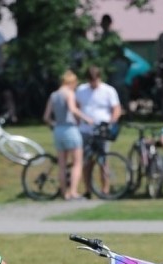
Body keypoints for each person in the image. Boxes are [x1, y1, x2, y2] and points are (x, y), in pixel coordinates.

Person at [42, 69, 93, 200]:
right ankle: (73, 192)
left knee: (62, 164)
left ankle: (64, 192)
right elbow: (72, 109)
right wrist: (86, 118)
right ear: (72, 82)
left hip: (58, 130)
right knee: (77, 162)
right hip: (70, 129)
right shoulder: (69, 93)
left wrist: (55, 124)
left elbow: (46, 117)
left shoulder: (53, 95)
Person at [76, 66, 122, 197]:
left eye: (95, 81)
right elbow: (77, 107)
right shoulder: (81, 90)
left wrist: (111, 123)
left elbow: (116, 109)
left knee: (103, 160)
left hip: (102, 131)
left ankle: (105, 189)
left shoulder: (108, 91)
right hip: (85, 130)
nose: (93, 83)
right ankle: (88, 190)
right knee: (87, 161)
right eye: (91, 81)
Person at [95, 14, 129, 112]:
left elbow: (120, 52)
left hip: (115, 68)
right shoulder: (102, 37)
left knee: (116, 90)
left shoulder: (114, 37)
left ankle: (120, 111)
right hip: (106, 67)